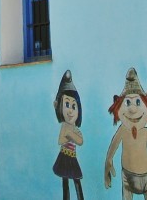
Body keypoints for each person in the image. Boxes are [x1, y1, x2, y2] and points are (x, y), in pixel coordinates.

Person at [104, 68, 147, 199]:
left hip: (145, 178)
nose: (133, 109)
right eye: (128, 102)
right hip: (126, 176)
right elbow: (113, 148)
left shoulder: (145, 133)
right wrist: (108, 161)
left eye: (137, 102)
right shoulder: (122, 130)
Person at [53, 70, 85, 200]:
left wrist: (71, 135)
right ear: (60, 107)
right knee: (65, 181)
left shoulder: (73, 128)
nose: (70, 110)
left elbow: (80, 141)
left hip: (72, 157)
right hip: (64, 156)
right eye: (67, 104)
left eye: (73, 105)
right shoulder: (65, 126)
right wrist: (69, 135)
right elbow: (60, 141)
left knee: (76, 179)